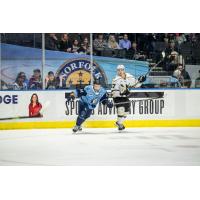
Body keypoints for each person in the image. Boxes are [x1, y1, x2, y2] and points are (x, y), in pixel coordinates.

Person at [111, 65, 146, 130]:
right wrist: (122, 92)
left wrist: (140, 80)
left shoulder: (129, 77)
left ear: (124, 70)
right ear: (117, 71)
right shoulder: (116, 80)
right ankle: (120, 124)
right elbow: (114, 91)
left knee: (126, 111)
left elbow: (135, 84)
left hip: (125, 97)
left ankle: (119, 123)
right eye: (118, 70)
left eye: (122, 70)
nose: (120, 71)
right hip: (118, 97)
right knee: (121, 109)